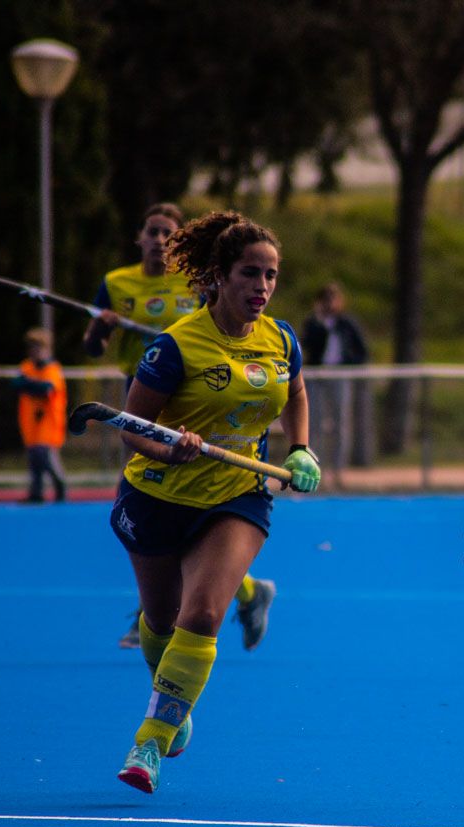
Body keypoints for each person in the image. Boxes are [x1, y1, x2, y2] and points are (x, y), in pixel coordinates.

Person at [111, 210, 321, 794]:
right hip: (157, 494)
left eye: (271, 275)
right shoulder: (175, 346)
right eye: (250, 274)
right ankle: (173, 704)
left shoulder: (281, 340)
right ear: (220, 278)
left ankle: (150, 740)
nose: (262, 287)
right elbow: (131, 426)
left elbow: (296, 391)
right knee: (159, 622)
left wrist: (300, 447)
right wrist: (166, 448)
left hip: (237, 496)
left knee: (200, 615)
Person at [84, 202, 276, 650]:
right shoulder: (116, 283)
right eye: (152, 231)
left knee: (211, 517)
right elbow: (93, 348)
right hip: (149, 400)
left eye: (168, 232)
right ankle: (237, 593)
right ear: (139, 236)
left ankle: (161, 615)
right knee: (149, 507)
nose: (159, 240)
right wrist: (104, 327)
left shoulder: (201, 283)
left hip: (218, 405)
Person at [300, 281, 372, 469]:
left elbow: (361, 350)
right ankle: (314, 465)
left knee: (340, 423)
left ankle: (338, 469)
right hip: (316, 375)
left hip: (340, 375)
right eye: (326, 299)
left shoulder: (347, 323)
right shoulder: (313, 323)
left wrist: (351, 365)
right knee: (313, 422)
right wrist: (322, 325)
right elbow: (307, 345)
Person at [13, 328, 68, 503]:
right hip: (30, 421)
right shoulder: (27, 366)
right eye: (31, 348)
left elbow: (46, 389)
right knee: (34, 458)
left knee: (45, 456)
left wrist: (28, 384)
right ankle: (36, 492)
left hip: (48, 421)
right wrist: (32, 384)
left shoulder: (53, 369)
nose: (34, 352)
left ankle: (60, 484)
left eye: (38, 348)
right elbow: (16, 383)